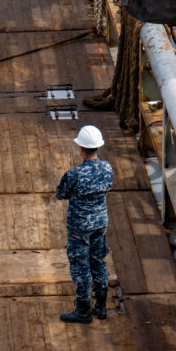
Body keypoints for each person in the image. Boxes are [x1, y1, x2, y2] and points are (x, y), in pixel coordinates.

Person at [56, 125, 114, 324]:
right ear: (98, 147)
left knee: (80, 264)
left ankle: (83, 310)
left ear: (81, 149)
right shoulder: (107, 168)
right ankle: (101, 306)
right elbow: (108, 186)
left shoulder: (75, 174)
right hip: (100, 222)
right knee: (98, 260)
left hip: (80, 225)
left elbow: (61, 193)